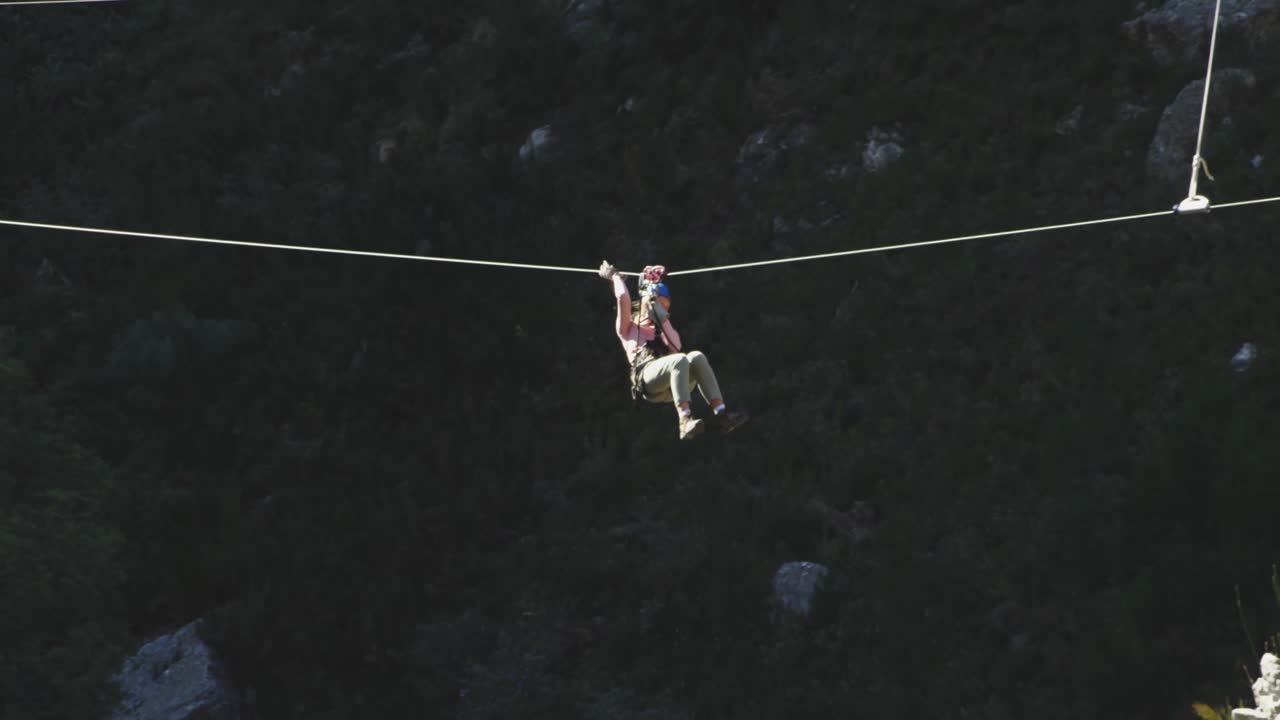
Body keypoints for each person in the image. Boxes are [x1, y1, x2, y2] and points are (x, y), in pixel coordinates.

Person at [598, 260, 749, 440]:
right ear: (646, 302)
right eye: (659, 304)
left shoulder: (663, 328)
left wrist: (662, 319)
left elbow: (676, 347)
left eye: (666, 306)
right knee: (679, 359)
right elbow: (623, 298)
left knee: (696, 356)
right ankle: (684, 420)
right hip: (648, 379)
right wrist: (615, 277)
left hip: (675, 382)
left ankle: (722, 414)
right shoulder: (627, 327)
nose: (662, 308)